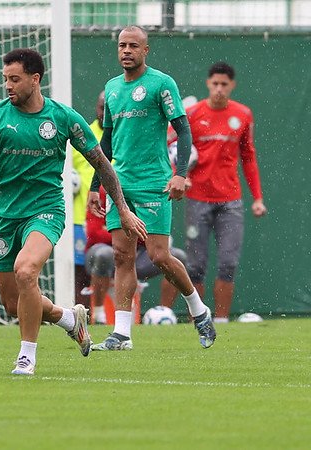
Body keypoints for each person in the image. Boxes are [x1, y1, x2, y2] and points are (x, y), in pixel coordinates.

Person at [0, 48, 147, 376]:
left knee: (27, 272)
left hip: (46, 212)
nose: (8, 86)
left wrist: (122, 210)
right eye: (5, 79)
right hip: (8, 216)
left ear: (35, 79)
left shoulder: (63, 117)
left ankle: (26, 358)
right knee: (13, 305)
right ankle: (69, 319)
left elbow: (102, 164)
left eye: (14, 79)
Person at [87, 26, 216, 351]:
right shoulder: (112, 88)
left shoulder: (161, 83)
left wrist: (180, 174)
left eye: (133, 45)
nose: (126, 50)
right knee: (121, 256)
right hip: (120, 185)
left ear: (146, 50)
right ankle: (122, 334)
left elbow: (183, 131)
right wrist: (95, 185)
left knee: (159, 256)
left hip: (155, 184)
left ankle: (199, 311)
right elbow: (106, 143)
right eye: (121, 45)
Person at [165, 62, 267, 323]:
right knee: (196, 267)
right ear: (208, 83)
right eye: (215, 83)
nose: (219, 89)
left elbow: (249, 157)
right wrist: (179, 174)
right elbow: (168, 146)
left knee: (228, 264)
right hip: (198, 199)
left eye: (224, 84)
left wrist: (257, 199)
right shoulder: (192, 113)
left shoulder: (243, 114)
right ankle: (198, 320)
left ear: (232, 85)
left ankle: (221, 321)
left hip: (230, 201)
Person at [84, 186, 185, 322]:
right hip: (105, 253)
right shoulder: (103, 191)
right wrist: (130, 233)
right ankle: (98, 314)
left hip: (137, 254)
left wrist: (118, 231)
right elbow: (94, 234)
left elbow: (153, 235)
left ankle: (164, 312)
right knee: (105, 254)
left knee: (177, 256)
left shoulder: (148, 190)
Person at [72, 90, 104, 315]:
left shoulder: (121, 135)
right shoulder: (84, 134)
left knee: (106, 264)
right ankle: (79, 315)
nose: (105, 113)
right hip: (79, 217)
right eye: (102, 108)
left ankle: (102, 314)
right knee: (79, 270)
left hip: (109, 215)